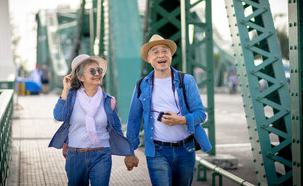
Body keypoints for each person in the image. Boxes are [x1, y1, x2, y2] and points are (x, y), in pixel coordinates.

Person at [124, 34, 212, 186]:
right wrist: (130, 152)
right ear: (149, 59)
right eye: (155, 52)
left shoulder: (187, 80)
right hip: (157, 151)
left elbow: (201, 114)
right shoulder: (141, 86)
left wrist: (182, 120)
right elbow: (133, 120)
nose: (161, 55)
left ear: (170, 55)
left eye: (165, 51)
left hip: (186, 150)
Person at [49, 54, 135, 186]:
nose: (97, 74)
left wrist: (129, 153)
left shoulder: (108, 101)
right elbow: (59, 116)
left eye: (99, 70)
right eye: (92, 71)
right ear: (81, 77)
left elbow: (117, 129)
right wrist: (65, 90)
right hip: (76, 155)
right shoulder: (71, 97)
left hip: (102, 153)